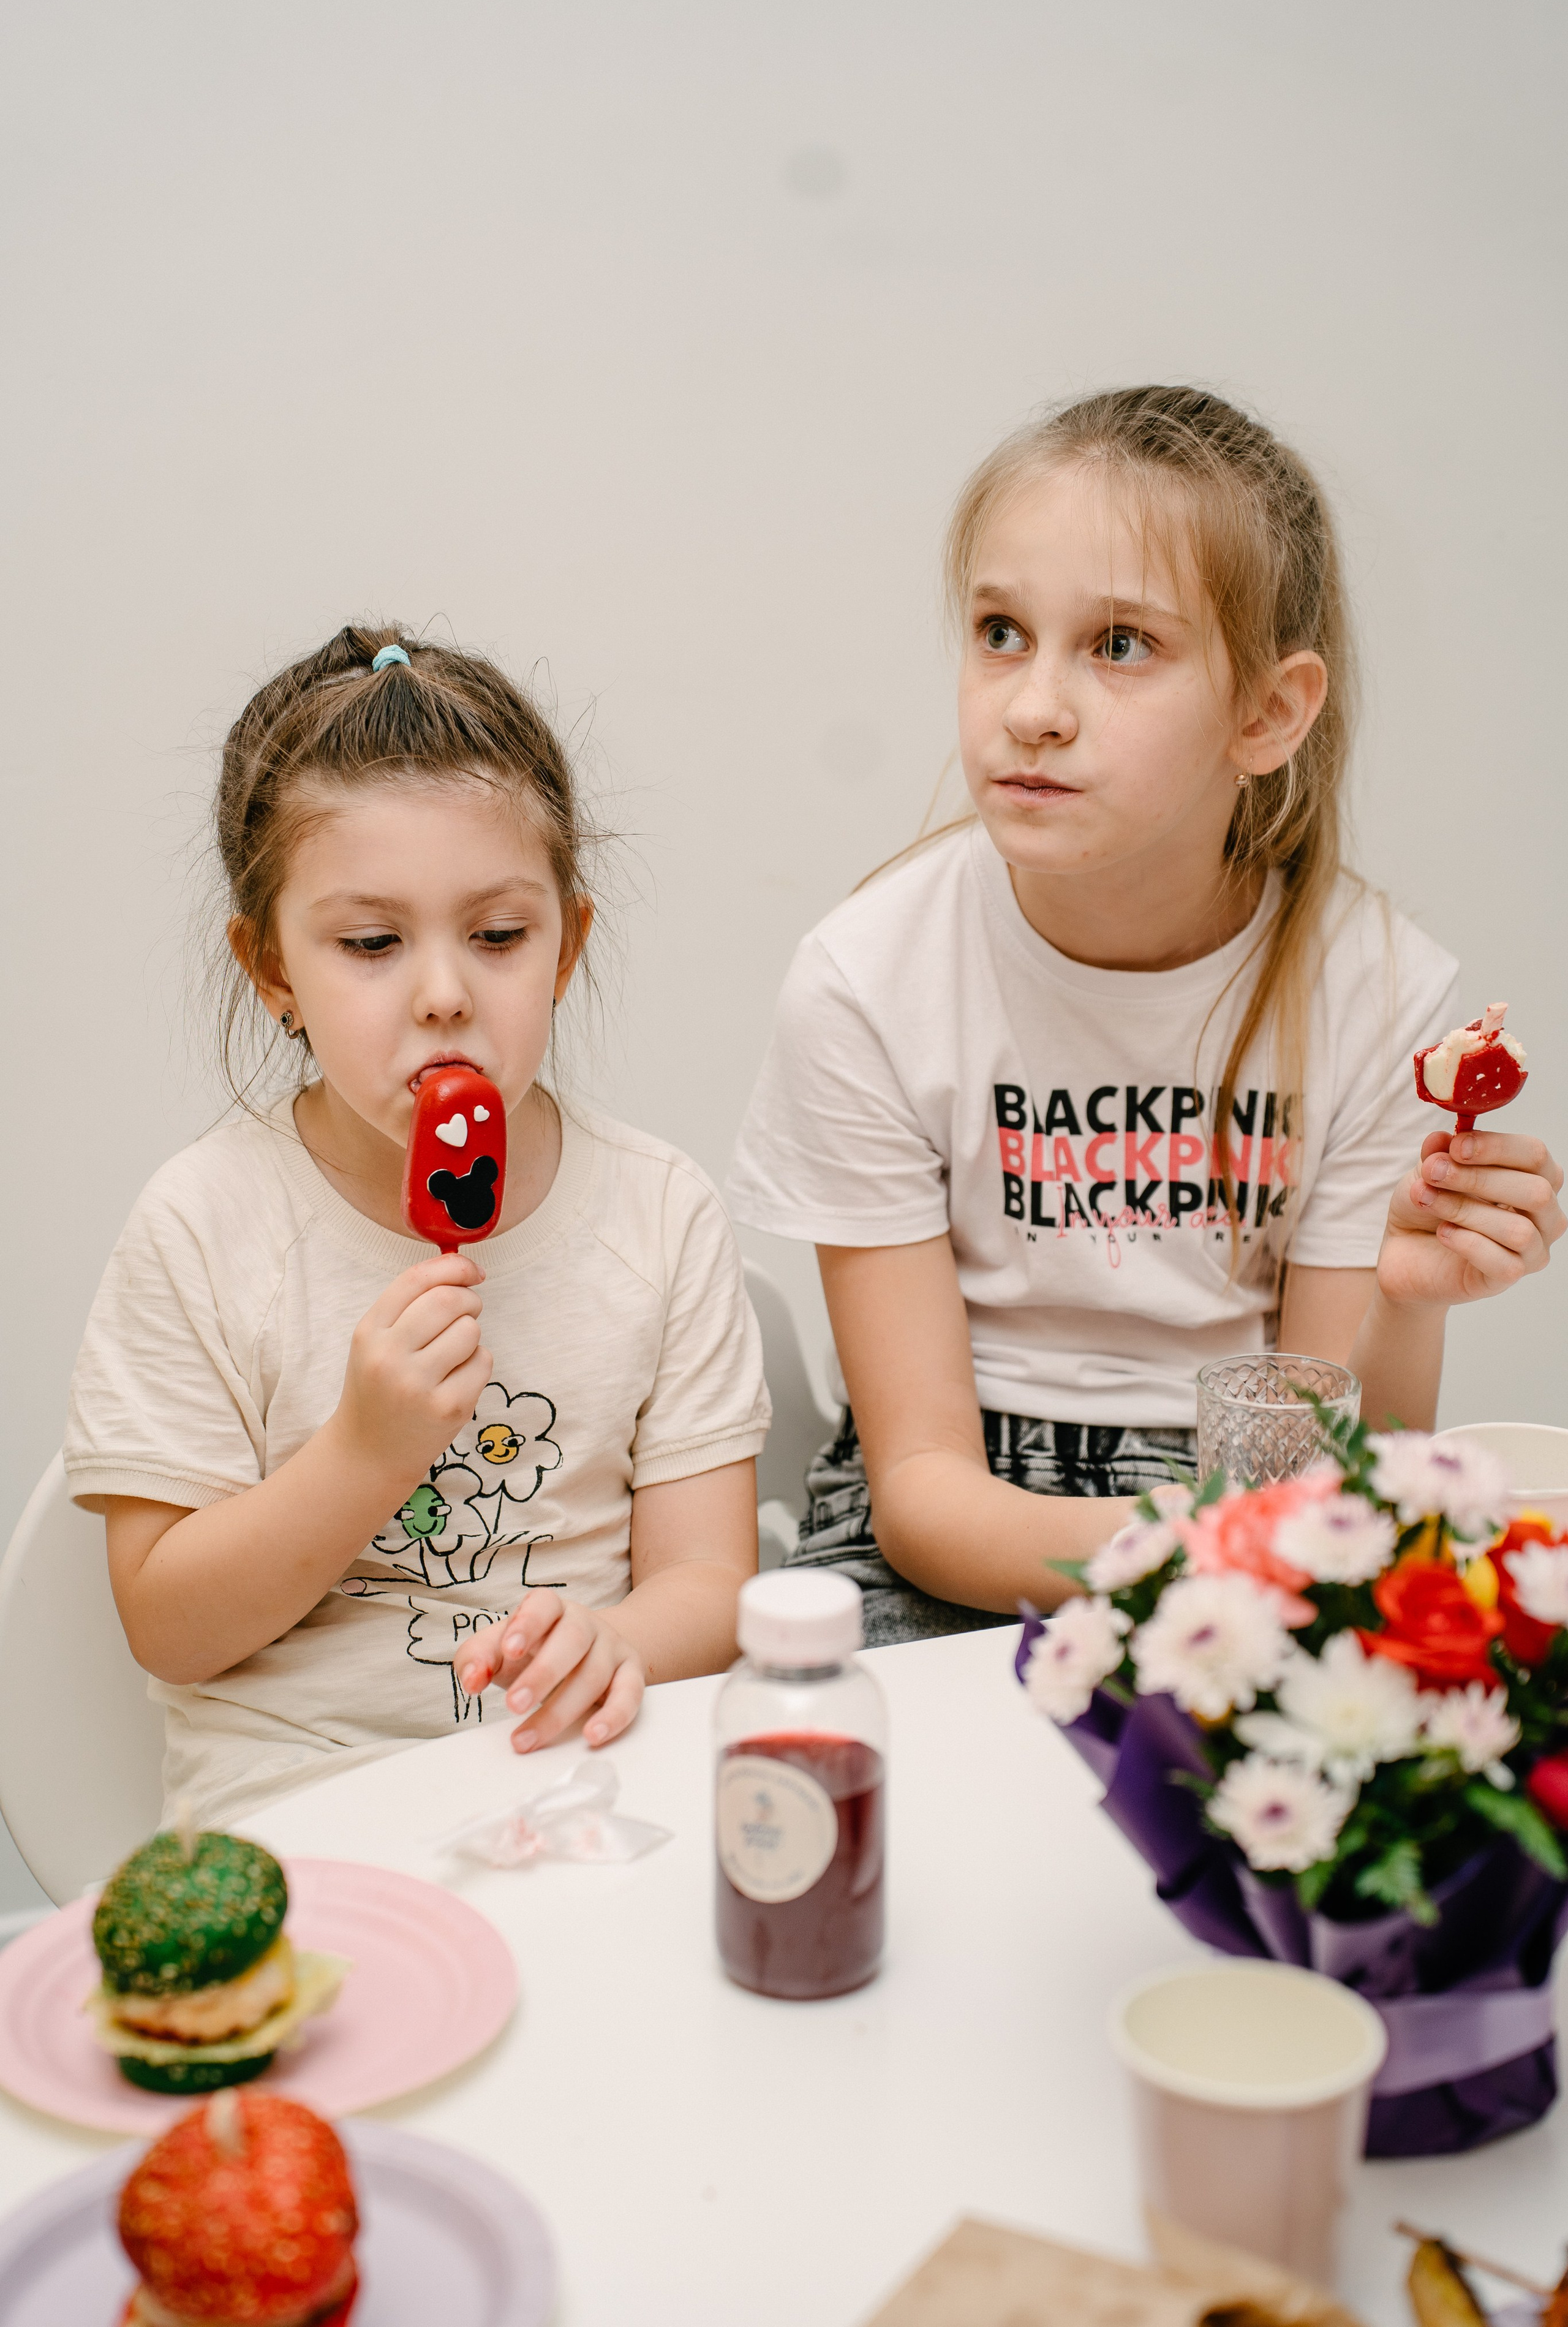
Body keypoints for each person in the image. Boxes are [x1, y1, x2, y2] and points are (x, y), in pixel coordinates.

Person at [728, 386, 1564, 1647]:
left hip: (1259, 1505)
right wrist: (1217, 1551)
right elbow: (921, 1500)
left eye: (1119, 645)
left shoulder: (1377, 995)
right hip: (964, 1533)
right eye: (999, 631)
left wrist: (1406, 1301)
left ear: (1267, 713)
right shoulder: (867, 978)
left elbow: (1353, 1469)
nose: (1032, 705)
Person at [66, 626, 769, 1823]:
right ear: (272, 969)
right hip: (301, 1803)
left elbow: (706, 1580)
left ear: (565, 947)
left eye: (497, 936)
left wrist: (614, 1642)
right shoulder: (205, 1227)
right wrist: (363, 1452)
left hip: (578, 1782)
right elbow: (167, 1629)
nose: (444, 991)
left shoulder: (656, 1214)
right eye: (372, 944)